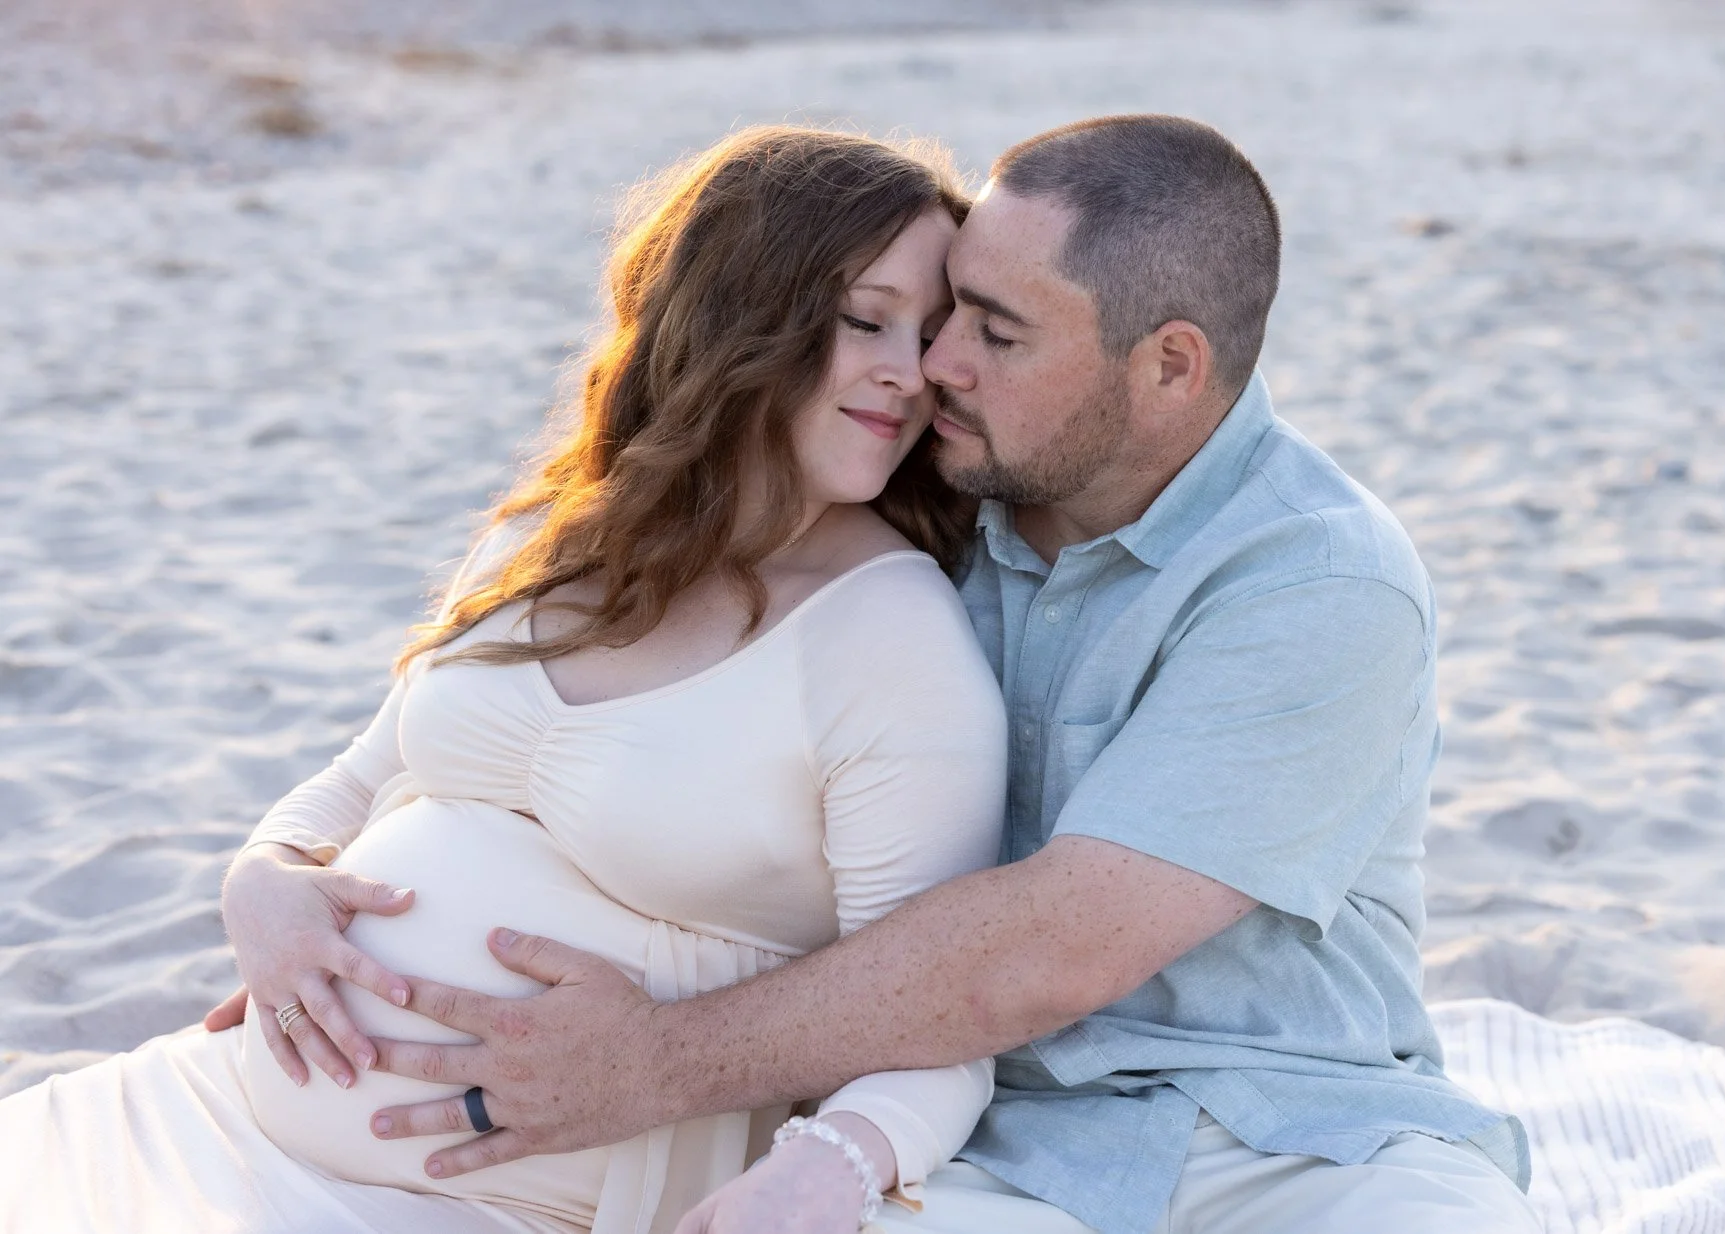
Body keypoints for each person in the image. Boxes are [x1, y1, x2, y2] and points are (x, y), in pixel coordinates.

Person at [341, 116, 1547, 1234]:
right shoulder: (919, 501)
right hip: (983, 1141)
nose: (935, 364)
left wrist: (651, 1061)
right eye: (944, 311)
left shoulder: (1317, 583)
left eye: (996, 333)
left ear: (1169, 367)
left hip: (1290, 1139)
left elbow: (1054, 949)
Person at [0, 127, 1011, 1234]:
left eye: (929, 336)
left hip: (506, 1207)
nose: (910, 374)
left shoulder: (890, 638)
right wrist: (261, 881)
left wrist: (833, 1167)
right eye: (866, 320)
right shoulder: (552, 539)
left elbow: (938, 1019)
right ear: (739, 314)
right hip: (210, 1119)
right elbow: (360, 776)